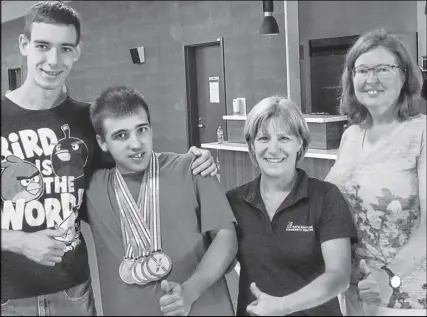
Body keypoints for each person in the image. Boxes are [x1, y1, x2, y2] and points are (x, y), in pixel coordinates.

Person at [1, 1, 216, 315]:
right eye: (43, 46)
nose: (53, 60)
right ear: (24, 45)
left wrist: (194, 162)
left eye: (65, 48)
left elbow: (134, 167)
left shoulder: (87, 121)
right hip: (9, 295)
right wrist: (19, 241)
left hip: (73, 292)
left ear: (77, 52)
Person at [85, 86, 237, 316]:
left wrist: (189, 291)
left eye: (142, 130)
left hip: (203, 309)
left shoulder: (192, 169)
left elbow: (226, 238)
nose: (136, 144)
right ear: (102, 142)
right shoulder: (92, 187)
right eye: (121, 135)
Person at [226, 96, 358, 316]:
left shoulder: (325, 197)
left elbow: (339, 276)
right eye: (264, 138)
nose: (273, 148)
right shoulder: (234, 201)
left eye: (284, 138)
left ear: (300, 143)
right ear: (251, 145)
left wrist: (281, 306)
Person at [325, 28, 426, 316]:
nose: (371, 79)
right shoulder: (352, 135)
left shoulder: (421, 133)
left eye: (383, 69)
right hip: (355, 292)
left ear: (404, 75)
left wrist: (388, 276)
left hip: (408, 294)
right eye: (362, 70)